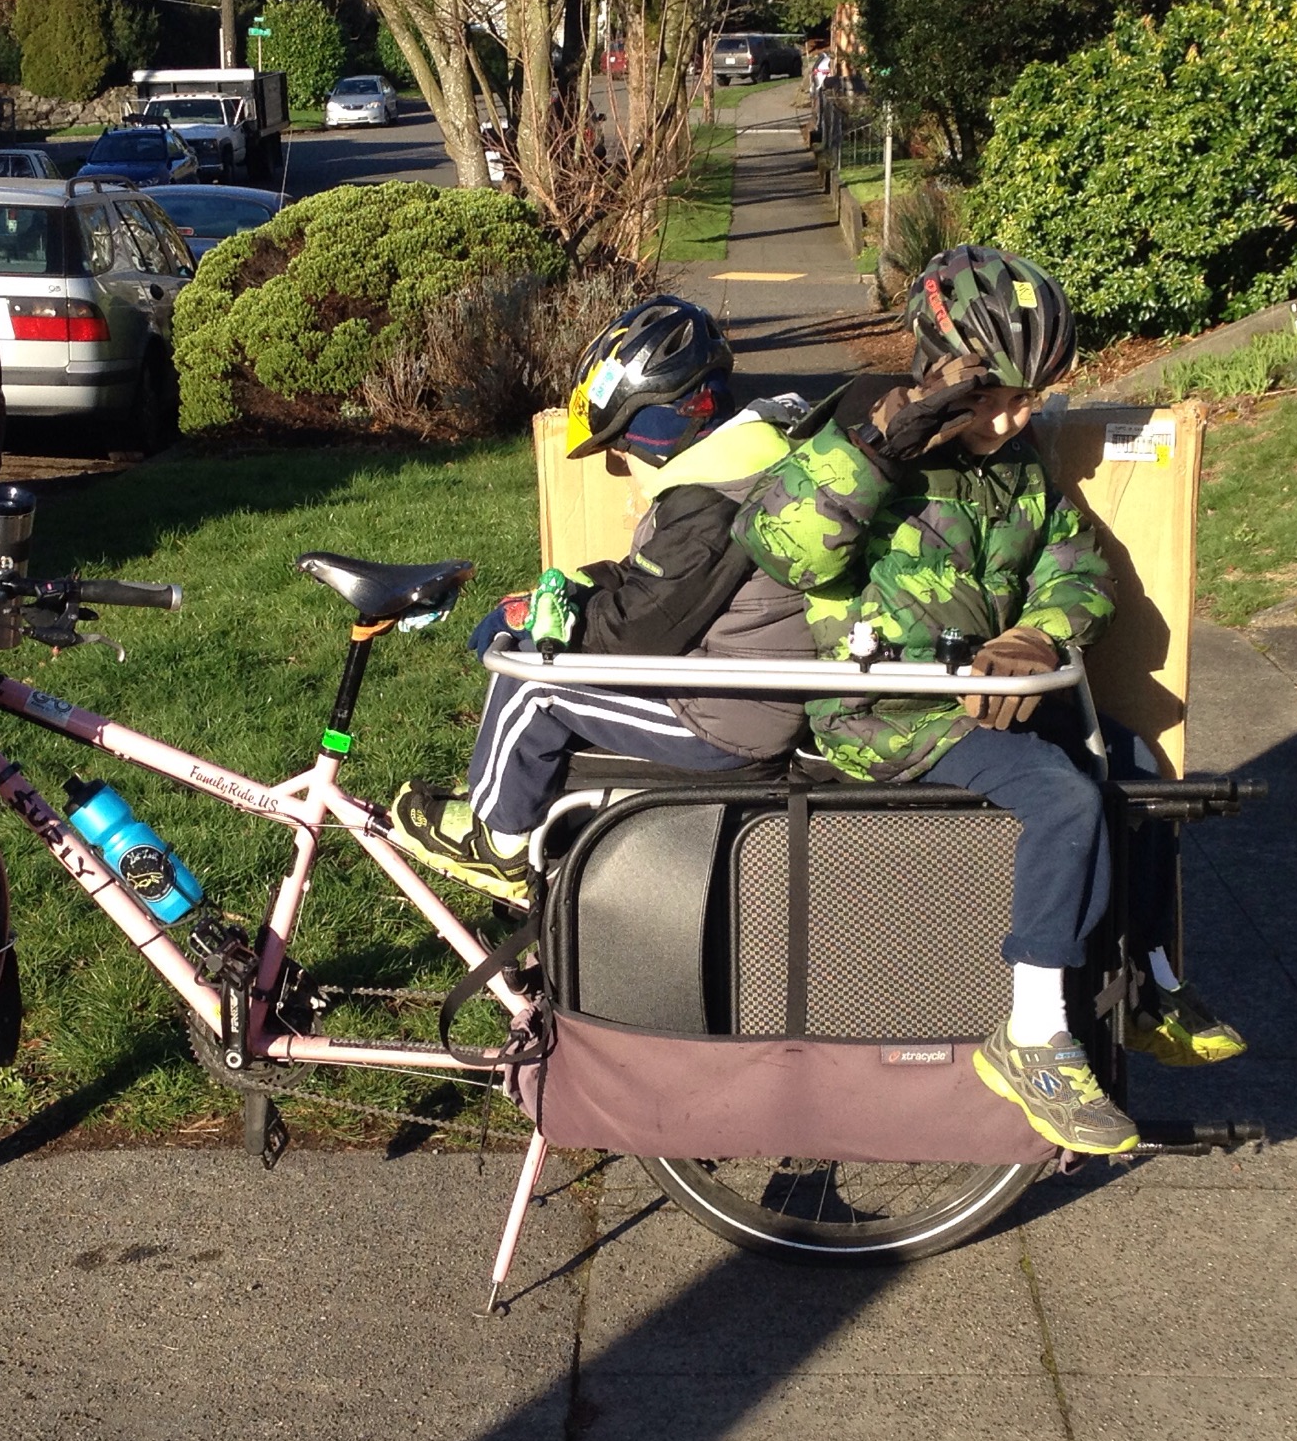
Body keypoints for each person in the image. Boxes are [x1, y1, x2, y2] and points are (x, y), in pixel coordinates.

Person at [738, 244, 1244, 1157]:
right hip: (891, 719)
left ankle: (1145, 976)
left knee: (1137, 763)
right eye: (997, 396)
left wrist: (1037, 635)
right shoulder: (858, 439)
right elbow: (784, 547)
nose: (1015, 419)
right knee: (1063, 798)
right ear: (940, 370)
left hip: (992, 696)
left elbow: (1078, 566)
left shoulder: (1016, 465)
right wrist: (879, 449)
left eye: (1032, 399)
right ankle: (1034, 1036)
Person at [387, 296, 820, 904]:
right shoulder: (739, 469)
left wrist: (547, 626)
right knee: (535, 658)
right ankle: (499, 805)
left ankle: (498, 842)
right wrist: (571, 590)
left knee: (534, 684)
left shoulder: (712, 505)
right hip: (730, 691)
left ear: (660, 427)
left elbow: (637, 632)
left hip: (726, 725)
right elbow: (652, 582)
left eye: (619, 445)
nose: (618, 464)